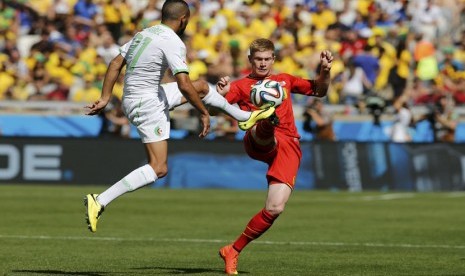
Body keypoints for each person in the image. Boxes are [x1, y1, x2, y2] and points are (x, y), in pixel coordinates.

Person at [83, 0, 274, 233]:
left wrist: (104, 98)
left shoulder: (145, 33)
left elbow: (115, 63)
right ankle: (100, 200)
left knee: (202, 86)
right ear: (183, 19)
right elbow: (183, 84)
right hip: (147, 104)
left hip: (140, 96)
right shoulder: (173, 41)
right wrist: (204, 113)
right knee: (159, 168)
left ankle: (244, 116)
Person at [215, 38, 333, 274]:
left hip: (289, 145)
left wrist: (325, 71)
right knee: (264, 129)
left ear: (273, 59)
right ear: (250, 59)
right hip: (258, 139)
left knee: (275, 208)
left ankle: (233, 250)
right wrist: (219, 95)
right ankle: (266, 119)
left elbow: (319, 90)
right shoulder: (239, 86)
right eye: (258, 59)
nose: (263, 63)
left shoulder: (285, 80)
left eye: (267, 59)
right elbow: (212, 109)